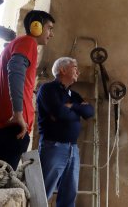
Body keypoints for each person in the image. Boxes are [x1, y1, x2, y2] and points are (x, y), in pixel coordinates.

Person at [0, 10, 55, 170]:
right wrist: (18, 114)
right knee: (0, 185)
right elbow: (15, 71)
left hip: (2, 124)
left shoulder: (16, 44)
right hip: (14, 125)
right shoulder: (28, 42)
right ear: (36, 26)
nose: (51, 34)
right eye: (49, 28)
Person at [37, 57, 94, 206]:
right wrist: (76, 111)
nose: (78, 72)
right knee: (43, 192)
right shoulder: (47, 89)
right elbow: (60, 113)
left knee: (70, 193)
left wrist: (72, 107)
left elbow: (89, 112)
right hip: (53, 147)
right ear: (62, 70)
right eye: (75, 67)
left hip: (73, 149)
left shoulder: (73, 96)